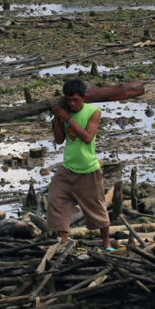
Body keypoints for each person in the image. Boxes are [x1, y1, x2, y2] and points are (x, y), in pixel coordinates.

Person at [47, 79, 112, 249]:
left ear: (83, 98)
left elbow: (87, 137)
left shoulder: (93, 112)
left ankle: (106, 243)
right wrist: (57, 119)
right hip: (68, 167)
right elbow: (59, 140)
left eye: (76, 100)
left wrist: (68, 119)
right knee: (56, 199)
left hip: (88, 169)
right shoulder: (64, 114)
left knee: (96, 207)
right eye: (69, 100)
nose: (72, 103)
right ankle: (63, 241)